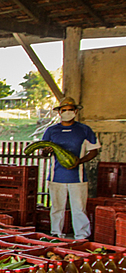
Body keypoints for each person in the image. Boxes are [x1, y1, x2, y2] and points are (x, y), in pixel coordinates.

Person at [42, 96, 100, 238]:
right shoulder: (51, 131)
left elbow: (94, 150)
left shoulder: (84, 130)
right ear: (59, 112)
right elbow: (43, 152)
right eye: (64, 110)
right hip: (56, 176)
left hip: (78, 177)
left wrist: (79, 161)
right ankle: (56, 234)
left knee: (79, 208)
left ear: (75, 111)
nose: (67, 112)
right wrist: (46, 151)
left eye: (70, 110)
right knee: (56, 208)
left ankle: (82, 236)